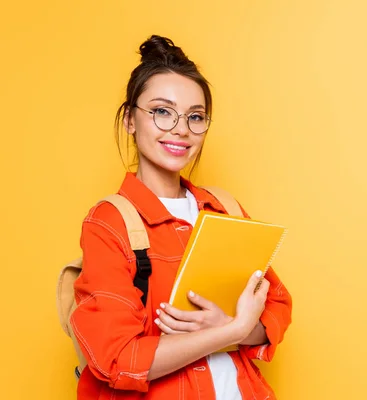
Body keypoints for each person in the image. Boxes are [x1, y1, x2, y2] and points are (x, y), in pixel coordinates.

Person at [70, 34, 292, 400]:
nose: (181, 129)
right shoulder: (109, 221)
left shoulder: (224, 208)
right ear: (129, 119)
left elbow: (276, 307)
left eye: (195, 116)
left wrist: (233, 325)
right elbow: (116, 359)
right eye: (162, 111)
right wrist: (230, 331)